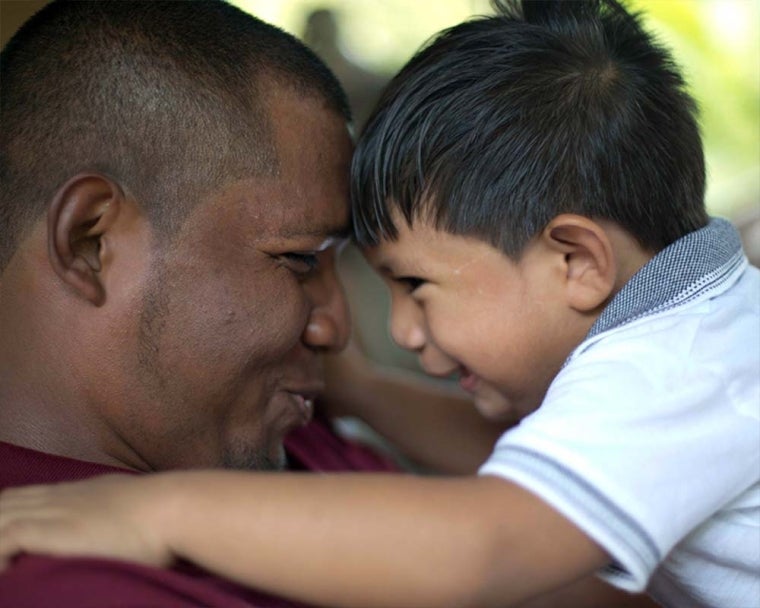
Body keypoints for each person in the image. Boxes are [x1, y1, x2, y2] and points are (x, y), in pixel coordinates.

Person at [1, 0, 756, 607]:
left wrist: (156, 514)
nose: (360, 326)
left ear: (577, 260)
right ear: (90, 242)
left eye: (416, 286)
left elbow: (484, 543)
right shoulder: (699, 339)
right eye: (299, 259)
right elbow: (518, 473)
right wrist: (365, 390)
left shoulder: (677, 368)